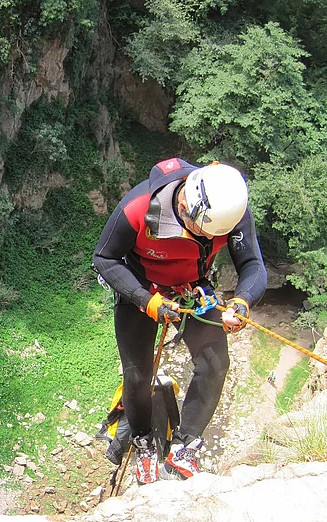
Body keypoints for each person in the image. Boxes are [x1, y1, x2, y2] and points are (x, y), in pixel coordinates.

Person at [93, 158, 267, 484]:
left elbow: (252, 264)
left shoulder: (231, 209)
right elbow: (105, 258)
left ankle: (183, 445)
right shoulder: (138, 207)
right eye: (201, 231)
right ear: (185, 205)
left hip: (191, 289)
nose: (204, 238)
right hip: (141, 288)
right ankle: (143, 441)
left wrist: (242, 301)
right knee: (137, 375)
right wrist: (146, 300)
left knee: (215, 364)